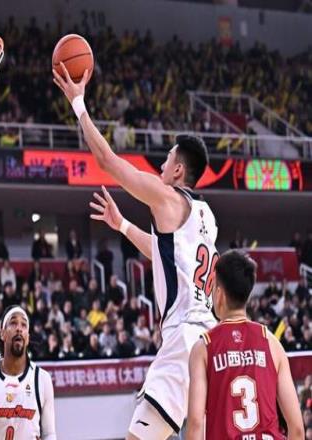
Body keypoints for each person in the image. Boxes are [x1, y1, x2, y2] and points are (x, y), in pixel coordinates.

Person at [57, 65, 218, 439]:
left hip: (182, 341)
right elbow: (166, 256)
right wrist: (123, 226)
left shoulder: (167, 196)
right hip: (210, 338)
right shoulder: (206, 216)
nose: (161, 164)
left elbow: (107, 161)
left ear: (178, 170)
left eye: (167, 159)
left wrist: (79, 104)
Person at [186, 250, 304, 440]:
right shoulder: (272, 343)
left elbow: (195, 423)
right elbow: (297, 429)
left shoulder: (204, 347)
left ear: (219, 294)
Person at [0, 305, 56, 439]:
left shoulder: (42, 379)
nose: (19, 328)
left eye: (24, 325)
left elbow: (49, 434)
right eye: (13, 323)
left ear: (28, 337)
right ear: (3, 334)